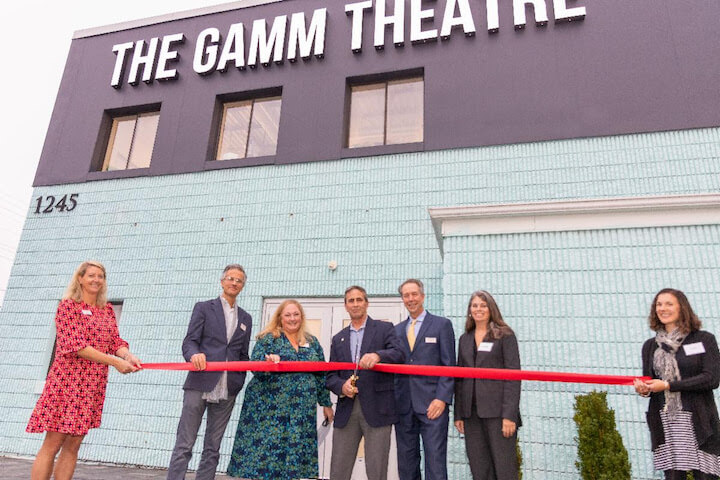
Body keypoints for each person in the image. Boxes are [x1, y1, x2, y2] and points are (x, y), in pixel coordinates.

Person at [27, 260, 141, 480]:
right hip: (67, 383)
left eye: (100, 276)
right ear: (80, 278)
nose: (96, 280)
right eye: (91, 275)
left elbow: (114, 340)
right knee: (54, 442)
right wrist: (114, 362)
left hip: (91, 386)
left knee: (74, 444)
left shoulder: (106, 310)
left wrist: (126, 355)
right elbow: (76, 345)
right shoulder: (68, 307)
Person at [227, 299, 334, 479]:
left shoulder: (311, 341)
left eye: (296, 314)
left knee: (294, 457)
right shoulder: (268, 338)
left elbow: (321, 373)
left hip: (301, 411)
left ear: (301, 317)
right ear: (280, 318)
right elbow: (255, 364)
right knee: (266, 459)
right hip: (270, 412)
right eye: (288, 315)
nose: (292, 319)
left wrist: (326, 403)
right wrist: (268, 362)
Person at [166, 264, 252, 480]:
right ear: (222, 281)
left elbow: (242, 354)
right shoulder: (203, 308)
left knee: (213, 448)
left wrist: (238, 380)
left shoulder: (245, 318)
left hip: (228, 389)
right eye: (230, 278)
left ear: (243, 286)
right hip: (199, 382)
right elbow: (190, 342)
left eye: (239, 280)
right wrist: (194, 355)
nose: (234, 282)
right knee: (184, 444)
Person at [633, 288, 720, 480]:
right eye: (659, 304)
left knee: (706, 476)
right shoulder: (650, 346)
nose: (662, 308)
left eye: (669, 304)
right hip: (666, 423)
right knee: (672, 476)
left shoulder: (704, 339)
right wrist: (644, 389)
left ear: (682, 308)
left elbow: (711, 379)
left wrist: (668, 385)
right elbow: (649, 380)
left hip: (698, 421)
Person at [326, 285, 405, 480]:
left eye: (359, 299)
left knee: (377, 472)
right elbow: (330, 376)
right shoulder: (338, 339)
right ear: (345, 306)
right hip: (347, 410)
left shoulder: (385, 328)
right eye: (351, 301)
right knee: (338, 470)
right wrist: (342, 387)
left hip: (378, 410)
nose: (355, 304)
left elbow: (399, 353)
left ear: (367, 303)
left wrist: (379, 355)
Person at [454, 290, 521, 480]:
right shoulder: (464, 339)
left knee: (504, 469)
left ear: (491, 308)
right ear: (469, 311)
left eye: (483, 305)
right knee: (479, 469)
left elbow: (513, 377)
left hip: (498, 414)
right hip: (471, 414)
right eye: (474, 306)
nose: (478, 309)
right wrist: (459, 414)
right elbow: (460, 378)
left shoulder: (505, 336)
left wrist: (509, 415)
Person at [394, 279, 456, 480]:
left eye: (414, 294)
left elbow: (449, 366)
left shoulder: (441, 325)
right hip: (404, 407)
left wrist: (442, 398)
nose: (410, 299)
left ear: (422, 296)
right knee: (406, 463)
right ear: (402, 299)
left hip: (433, 406)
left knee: (435, 463)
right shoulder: (396, 330)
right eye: (406, 295)